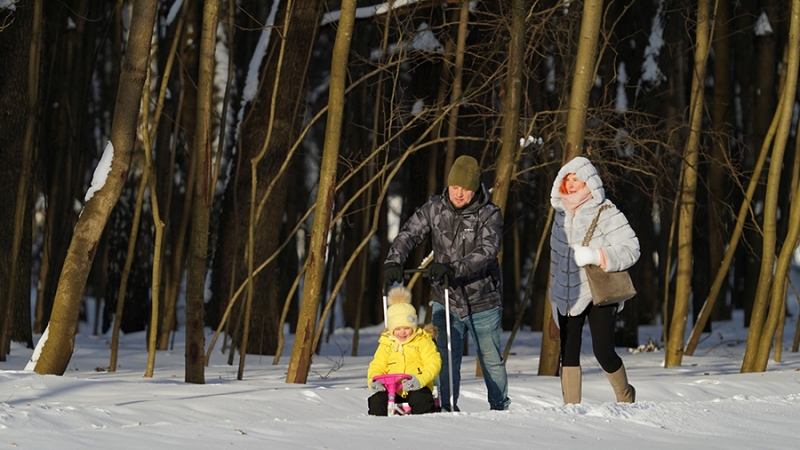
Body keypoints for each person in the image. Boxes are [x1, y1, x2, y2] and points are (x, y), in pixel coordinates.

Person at [382, 155, 510, 412]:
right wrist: (394, 260)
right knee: (444, 357)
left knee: (491, 359)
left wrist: (453, 268)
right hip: (445, 299)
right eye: (454, 187)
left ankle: (499, 409)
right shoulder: (435, 207)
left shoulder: (489, 214)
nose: (458, 193)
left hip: (483, 300)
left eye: (464, 188)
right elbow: (409, 233)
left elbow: (487, 251)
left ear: (475, 189)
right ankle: (448, 408)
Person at [549, 156, 640, 404]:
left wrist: (596, 255)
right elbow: (555, 261)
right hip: (568, 294)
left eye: (578, 179)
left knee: (604, 352)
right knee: (568, 353)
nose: (573, 184)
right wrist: (554, 300)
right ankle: (570, 408)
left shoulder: (606, 211)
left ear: (590, 182)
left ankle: (625, 397)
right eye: (569, 180)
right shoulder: (560, 216)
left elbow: (632, 249)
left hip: (601, 292)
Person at [367, 286, 441, 416]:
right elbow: (377, 364)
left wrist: (420, 380)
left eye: (406, 328)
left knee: (421, 400)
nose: (402, 332)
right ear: (391, 329)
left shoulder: (422, 341)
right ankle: (379, 427)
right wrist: (374, 380)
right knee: (376, 401)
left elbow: (433, 362)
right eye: (398, 328)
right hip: (391, 390)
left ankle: (425, 424)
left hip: (417, 387)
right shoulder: (386, 343)